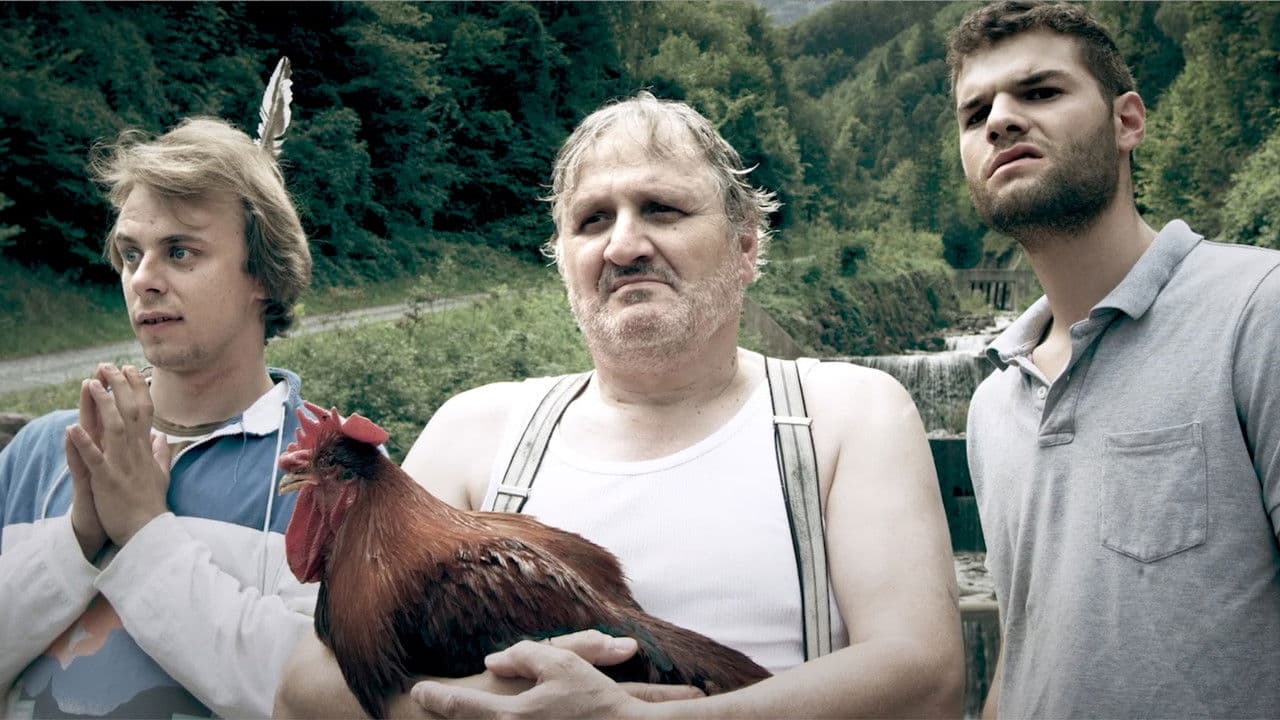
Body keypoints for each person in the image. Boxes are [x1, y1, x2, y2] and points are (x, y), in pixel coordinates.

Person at [275, 91, 963, 719]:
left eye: (662, 209)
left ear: (746, 246)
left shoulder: (845, 413)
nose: (624, 245)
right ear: (564, 261)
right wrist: (468, 707)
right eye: (592, 220)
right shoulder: (477, 428)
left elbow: (925, 683)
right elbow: (302, 691)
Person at [950, 2, 1280, 717]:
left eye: (1040, 91)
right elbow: (1026, 641)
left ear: (1126, 121)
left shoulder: (1259, 313)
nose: (1000, 121)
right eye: (975, 114)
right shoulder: (993, 404)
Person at [0, 114, 319, 718]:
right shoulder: (40, 452)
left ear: (263, 273)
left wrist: (144, 530)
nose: (143, 279)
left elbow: (315, 697)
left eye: (179, 251)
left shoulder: (328, 469)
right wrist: (76, 537)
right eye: (130, 254)